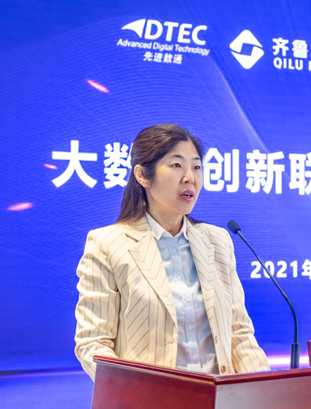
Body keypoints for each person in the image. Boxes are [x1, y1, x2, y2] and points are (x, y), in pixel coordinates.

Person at [74, 124, 270, 379]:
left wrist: (266, 391)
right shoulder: (108, 244)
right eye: (176, 165)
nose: (190, 177)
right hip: (149, 400)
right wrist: (136, 392)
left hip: (221, 398)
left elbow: (239, 332)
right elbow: (93, 343)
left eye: (196, 167)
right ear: (142, 175)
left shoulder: (218, 241)